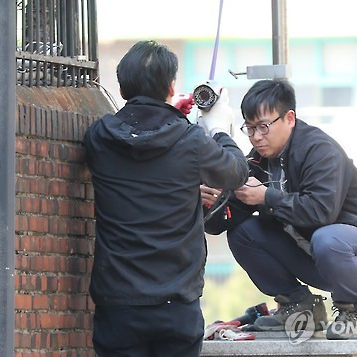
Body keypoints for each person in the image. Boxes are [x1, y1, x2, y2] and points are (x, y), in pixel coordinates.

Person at [201, 79, 357, 340]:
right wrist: (211, 199)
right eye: (249, 128)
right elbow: (219, 224)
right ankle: (299, 306)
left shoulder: (318, 150)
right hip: (320, 257)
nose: (257, 137)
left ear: (290, 118)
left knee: (328, 237)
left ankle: (356, 313)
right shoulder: (257, 160)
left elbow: (321, 213)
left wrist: (266, 196)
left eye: (263, 126)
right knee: (242, 231)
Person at [83, 40, 248, 356]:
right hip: (177, 304)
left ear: (122, 89)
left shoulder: (99, 136)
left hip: (118, 304)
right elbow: (235, 173)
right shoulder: (190, 141)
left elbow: (143, 158)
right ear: (171, 86)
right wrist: (218, 128)